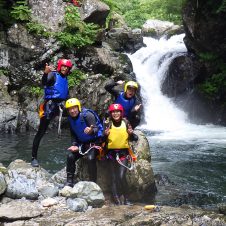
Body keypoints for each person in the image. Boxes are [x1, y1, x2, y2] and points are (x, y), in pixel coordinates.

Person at [31, 59, 73, 167]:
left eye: (67, 67)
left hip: (60, 106)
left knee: (75, 119)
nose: (65, 68)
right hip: (49, 107)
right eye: (63, 66)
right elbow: (44, 82)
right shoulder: (53, 75)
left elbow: (66, 94)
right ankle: (33, 157)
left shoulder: (65, 78)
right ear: (60, 66)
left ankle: (76, 148)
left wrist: (72, 105)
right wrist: (45, 73)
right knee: (41, 132)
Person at [65, 98, 103, 187]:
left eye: (74, 108)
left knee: (90, 158)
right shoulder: (70, 119)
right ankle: (69, 181)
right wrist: (74, 145)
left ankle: (93, 183)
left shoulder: (87, 115)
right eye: (70, 109)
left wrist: (91, 130)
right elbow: (73, 134)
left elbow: (96, 128)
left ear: (78, 107)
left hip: (94, 143)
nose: (72, 111)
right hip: (82, 144)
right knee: (70, 156)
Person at [104, 103, 138, 205]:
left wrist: (131, 133)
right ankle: (116, 199)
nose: (115, 114)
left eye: (117, 111)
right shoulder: (108, 124)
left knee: (121, 175)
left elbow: (135, 138)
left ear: (121, 112)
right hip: (110, 154)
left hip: (123, 154)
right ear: (111, 114)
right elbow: (101, 139)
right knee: (113, 177)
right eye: (113, 112)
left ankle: (126, 197)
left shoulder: (126, 122)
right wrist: (104, 135)